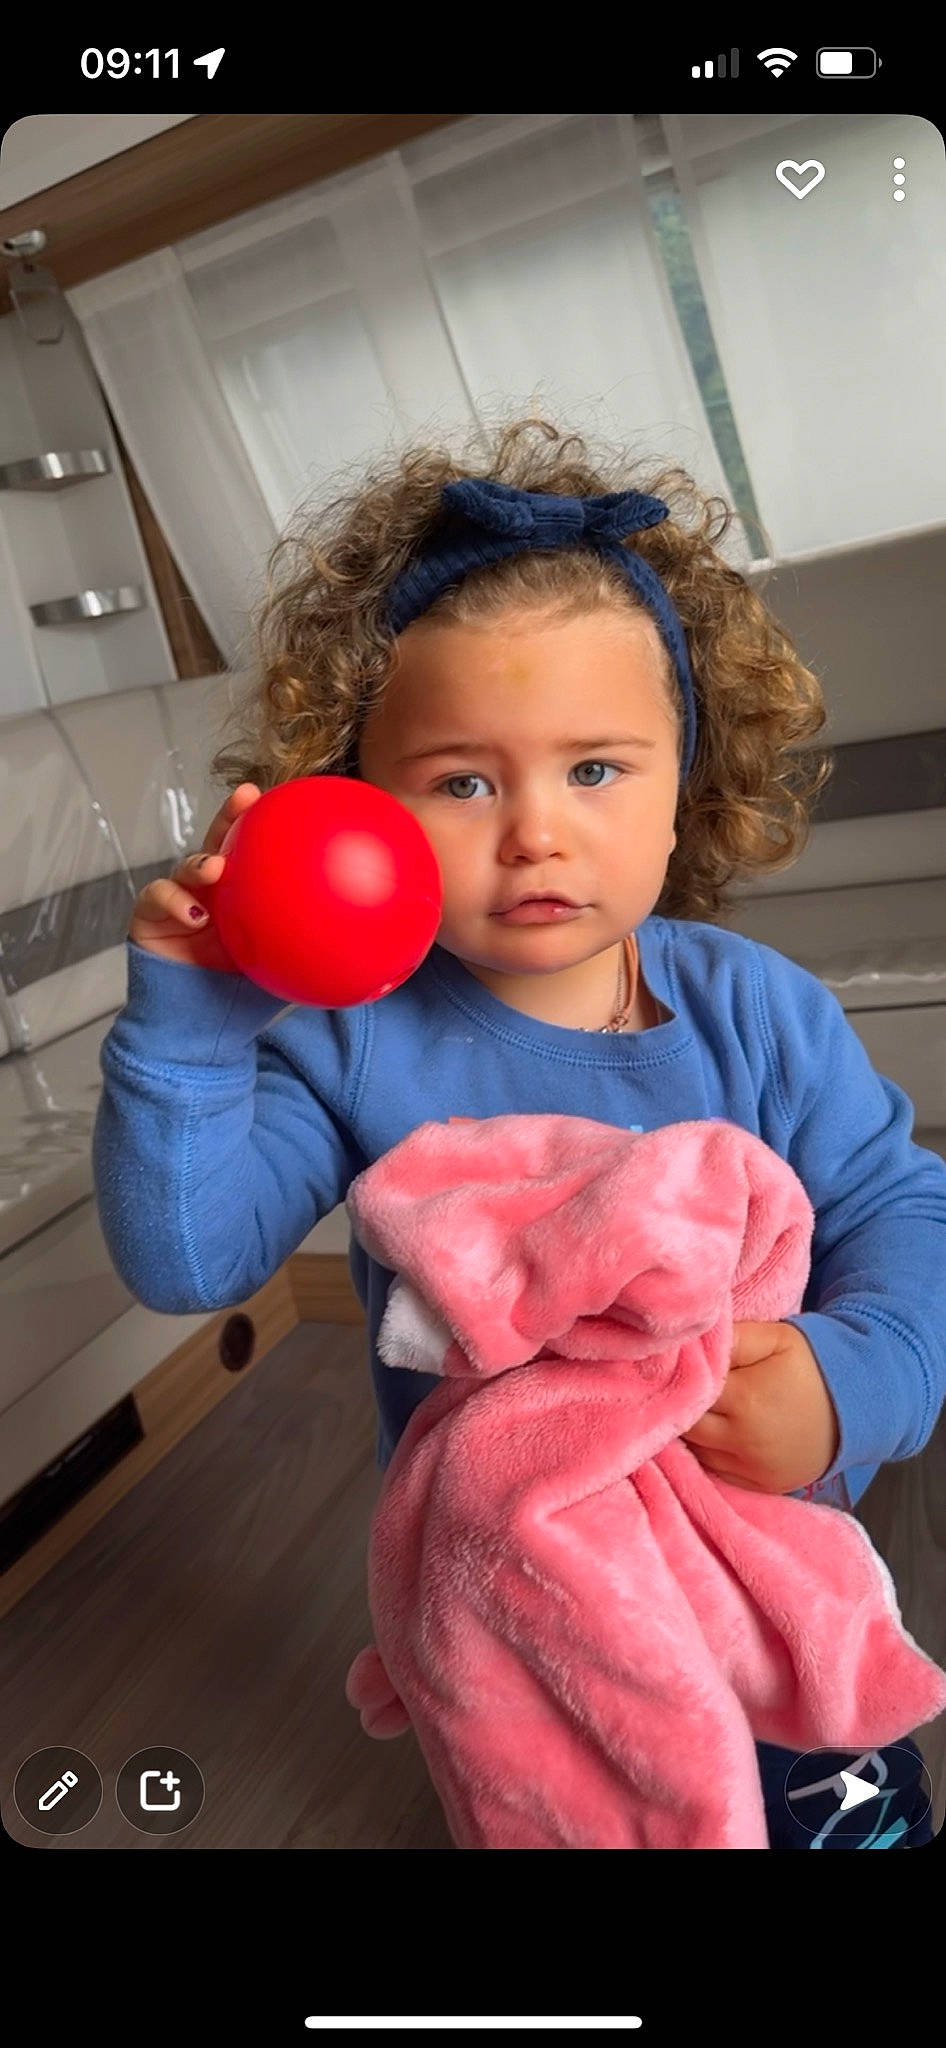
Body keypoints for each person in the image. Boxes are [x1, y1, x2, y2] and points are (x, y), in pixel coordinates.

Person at [92, 416, 945, 1848]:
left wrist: (849, 1385)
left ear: (690, 780)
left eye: (596, 770)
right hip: (513, 1618)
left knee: (844, 1827)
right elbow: (189, 1260)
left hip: (767, 1578)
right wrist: (189, 1024)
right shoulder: (345, 1037)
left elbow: (901, 1218)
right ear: (358, 808)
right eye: (462, 783)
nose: (534, 831)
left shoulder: (760, 1014)